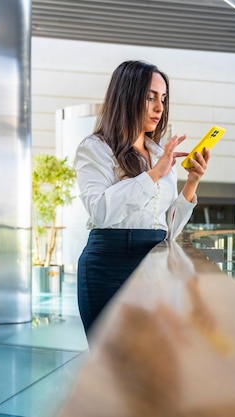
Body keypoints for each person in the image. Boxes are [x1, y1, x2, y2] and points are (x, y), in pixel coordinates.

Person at [74, 60, 211, 338]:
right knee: (113, 368)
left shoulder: (158, 152)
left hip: (155, 266)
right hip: (108, 267)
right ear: (126, 96)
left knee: (151, 366)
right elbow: (100, 211)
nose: (159, 108)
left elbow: (168, 229)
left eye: (163, 99)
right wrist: (156, 172)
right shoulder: (96, 148)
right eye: (150, 98)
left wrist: (192, 183)